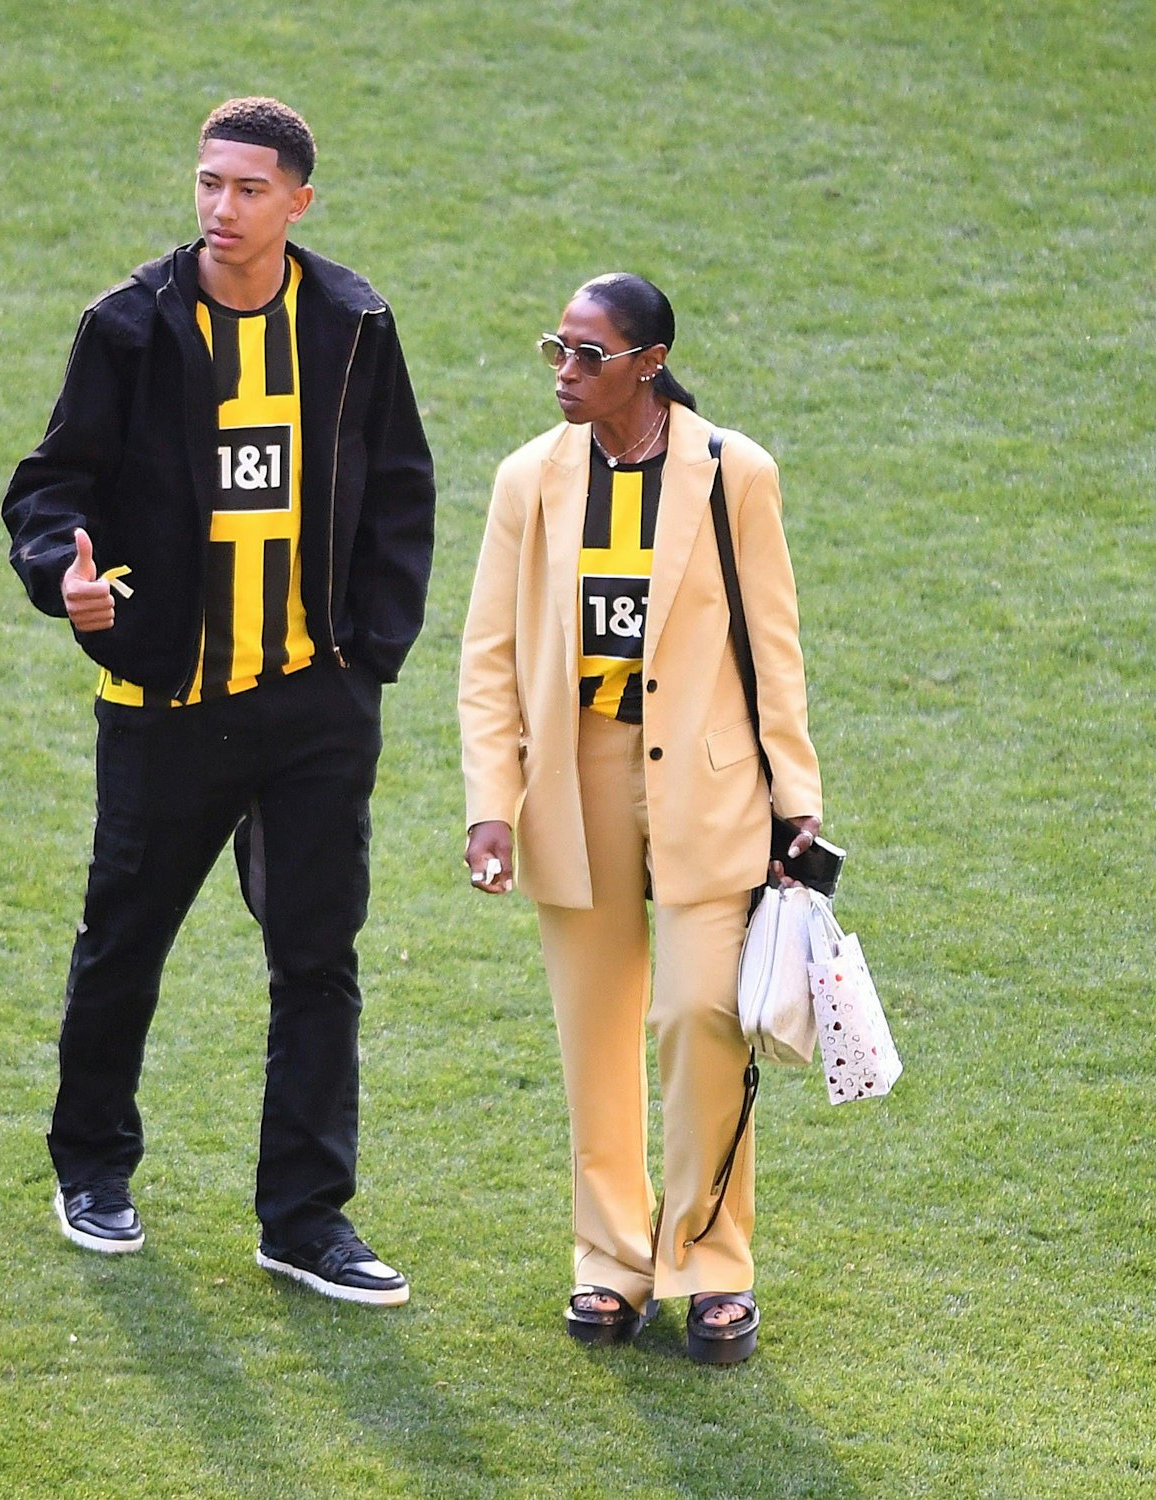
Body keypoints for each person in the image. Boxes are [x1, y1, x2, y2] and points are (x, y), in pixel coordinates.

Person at [2, 97, 435, 1306]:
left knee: (317, 960)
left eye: (248, 188)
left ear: (299, 200)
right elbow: (52, 486)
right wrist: (65, 580)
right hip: (168, 705)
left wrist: (366, 659)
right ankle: (91, 1168)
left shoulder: (350, 324)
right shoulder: (128, 328)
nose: (220, 208)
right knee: (124, 941)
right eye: (207, 184)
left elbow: (399, 488)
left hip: (312, 707)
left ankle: (303, 1220)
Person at [457, 273, 822, 1363]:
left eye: (586, 355)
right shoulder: (528, 479)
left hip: (711, 790)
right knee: (593, 1034)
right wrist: (489, 805)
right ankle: (610, 1265)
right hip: (571, 779)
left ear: (647, 363)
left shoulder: (732, 473)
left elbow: (773, 647)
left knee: (698, 1018)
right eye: (555, 351)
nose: (563, 373)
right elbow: (488, 659)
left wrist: (795, 803)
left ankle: (711, 1265)